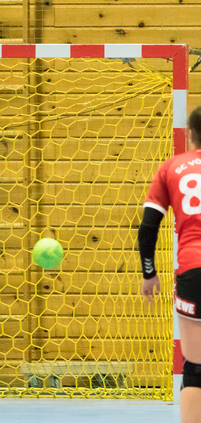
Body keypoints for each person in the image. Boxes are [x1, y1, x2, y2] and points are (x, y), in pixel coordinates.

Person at [140, 106, 201, 423]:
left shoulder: (172, 167)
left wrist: (149, 273)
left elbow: (148, 227)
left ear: (189, 134)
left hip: (193, 270)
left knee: (195, 368)